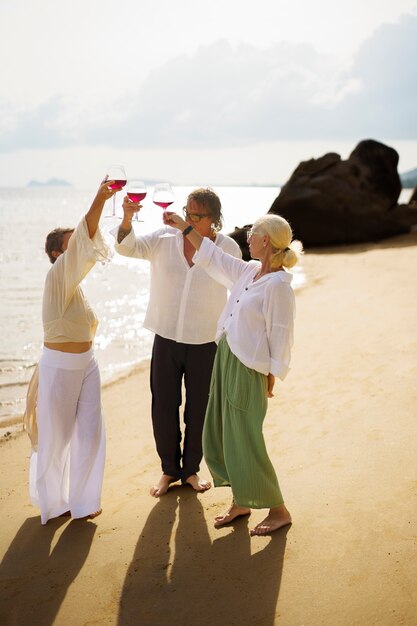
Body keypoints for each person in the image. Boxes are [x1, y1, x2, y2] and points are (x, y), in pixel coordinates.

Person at [163, 209, 302, 536]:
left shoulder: (278, 286)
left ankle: (278, 509)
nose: (248, 238)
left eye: (253, 233)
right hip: (225, 357)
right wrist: (185, 227)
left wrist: (271, 373)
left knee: (245, 439)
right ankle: (242, 501)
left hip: (248, 367)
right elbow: (214, 256)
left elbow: (281, 332)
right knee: (221, 432)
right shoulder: (251, 271)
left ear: (265, 240)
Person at [113, 188, 241, 497]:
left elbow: (234, 283)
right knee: (163, 406)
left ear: (214, 219)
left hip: (205, 341)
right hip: (166, 336)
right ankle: (169, 470)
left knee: (199, 410)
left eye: (197, 215)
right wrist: (128, 217)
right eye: (188, 212)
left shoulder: (227, 249)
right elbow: (126, 248)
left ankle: (191, 471)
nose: (189, 218)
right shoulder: (162, 239)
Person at [25, 180, 116, 525]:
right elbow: (85, 233)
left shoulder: (75, 289)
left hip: (87, 365)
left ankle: (83, 501)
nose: (82, 248)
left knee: (91, 432)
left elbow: (85, 238)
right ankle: (52, 502)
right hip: (60, 367)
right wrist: (99, 198)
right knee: (56, 438)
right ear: (56, 255)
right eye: (71, 246)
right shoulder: (56, 278)